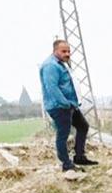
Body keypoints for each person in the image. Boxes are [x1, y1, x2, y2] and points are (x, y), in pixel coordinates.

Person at [39, 39, 97, 174]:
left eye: (69, 51)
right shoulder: (50, 66)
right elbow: (52, 87)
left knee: (83, 126)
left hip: (70, 104)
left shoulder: (61, 64)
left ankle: (80, 157)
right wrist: (65, 103)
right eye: (63, 51)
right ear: (55, 51)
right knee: (63, 134)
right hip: (60, 106)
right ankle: (66, 164)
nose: (67, 54)